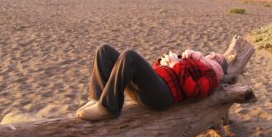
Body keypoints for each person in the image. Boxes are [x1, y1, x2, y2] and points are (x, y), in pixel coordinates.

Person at [76, 44, 228, 121]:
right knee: (104, 50)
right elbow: (157, 70)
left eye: (217, 57)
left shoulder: (212, 75)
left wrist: (176, 65)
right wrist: (163, 62)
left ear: (219, 65)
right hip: (151, 88)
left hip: (163, 96)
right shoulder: (190, 58)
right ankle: (98, 98)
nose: (213, 54)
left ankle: (109, 108)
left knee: (130, 56)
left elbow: (193, 90)